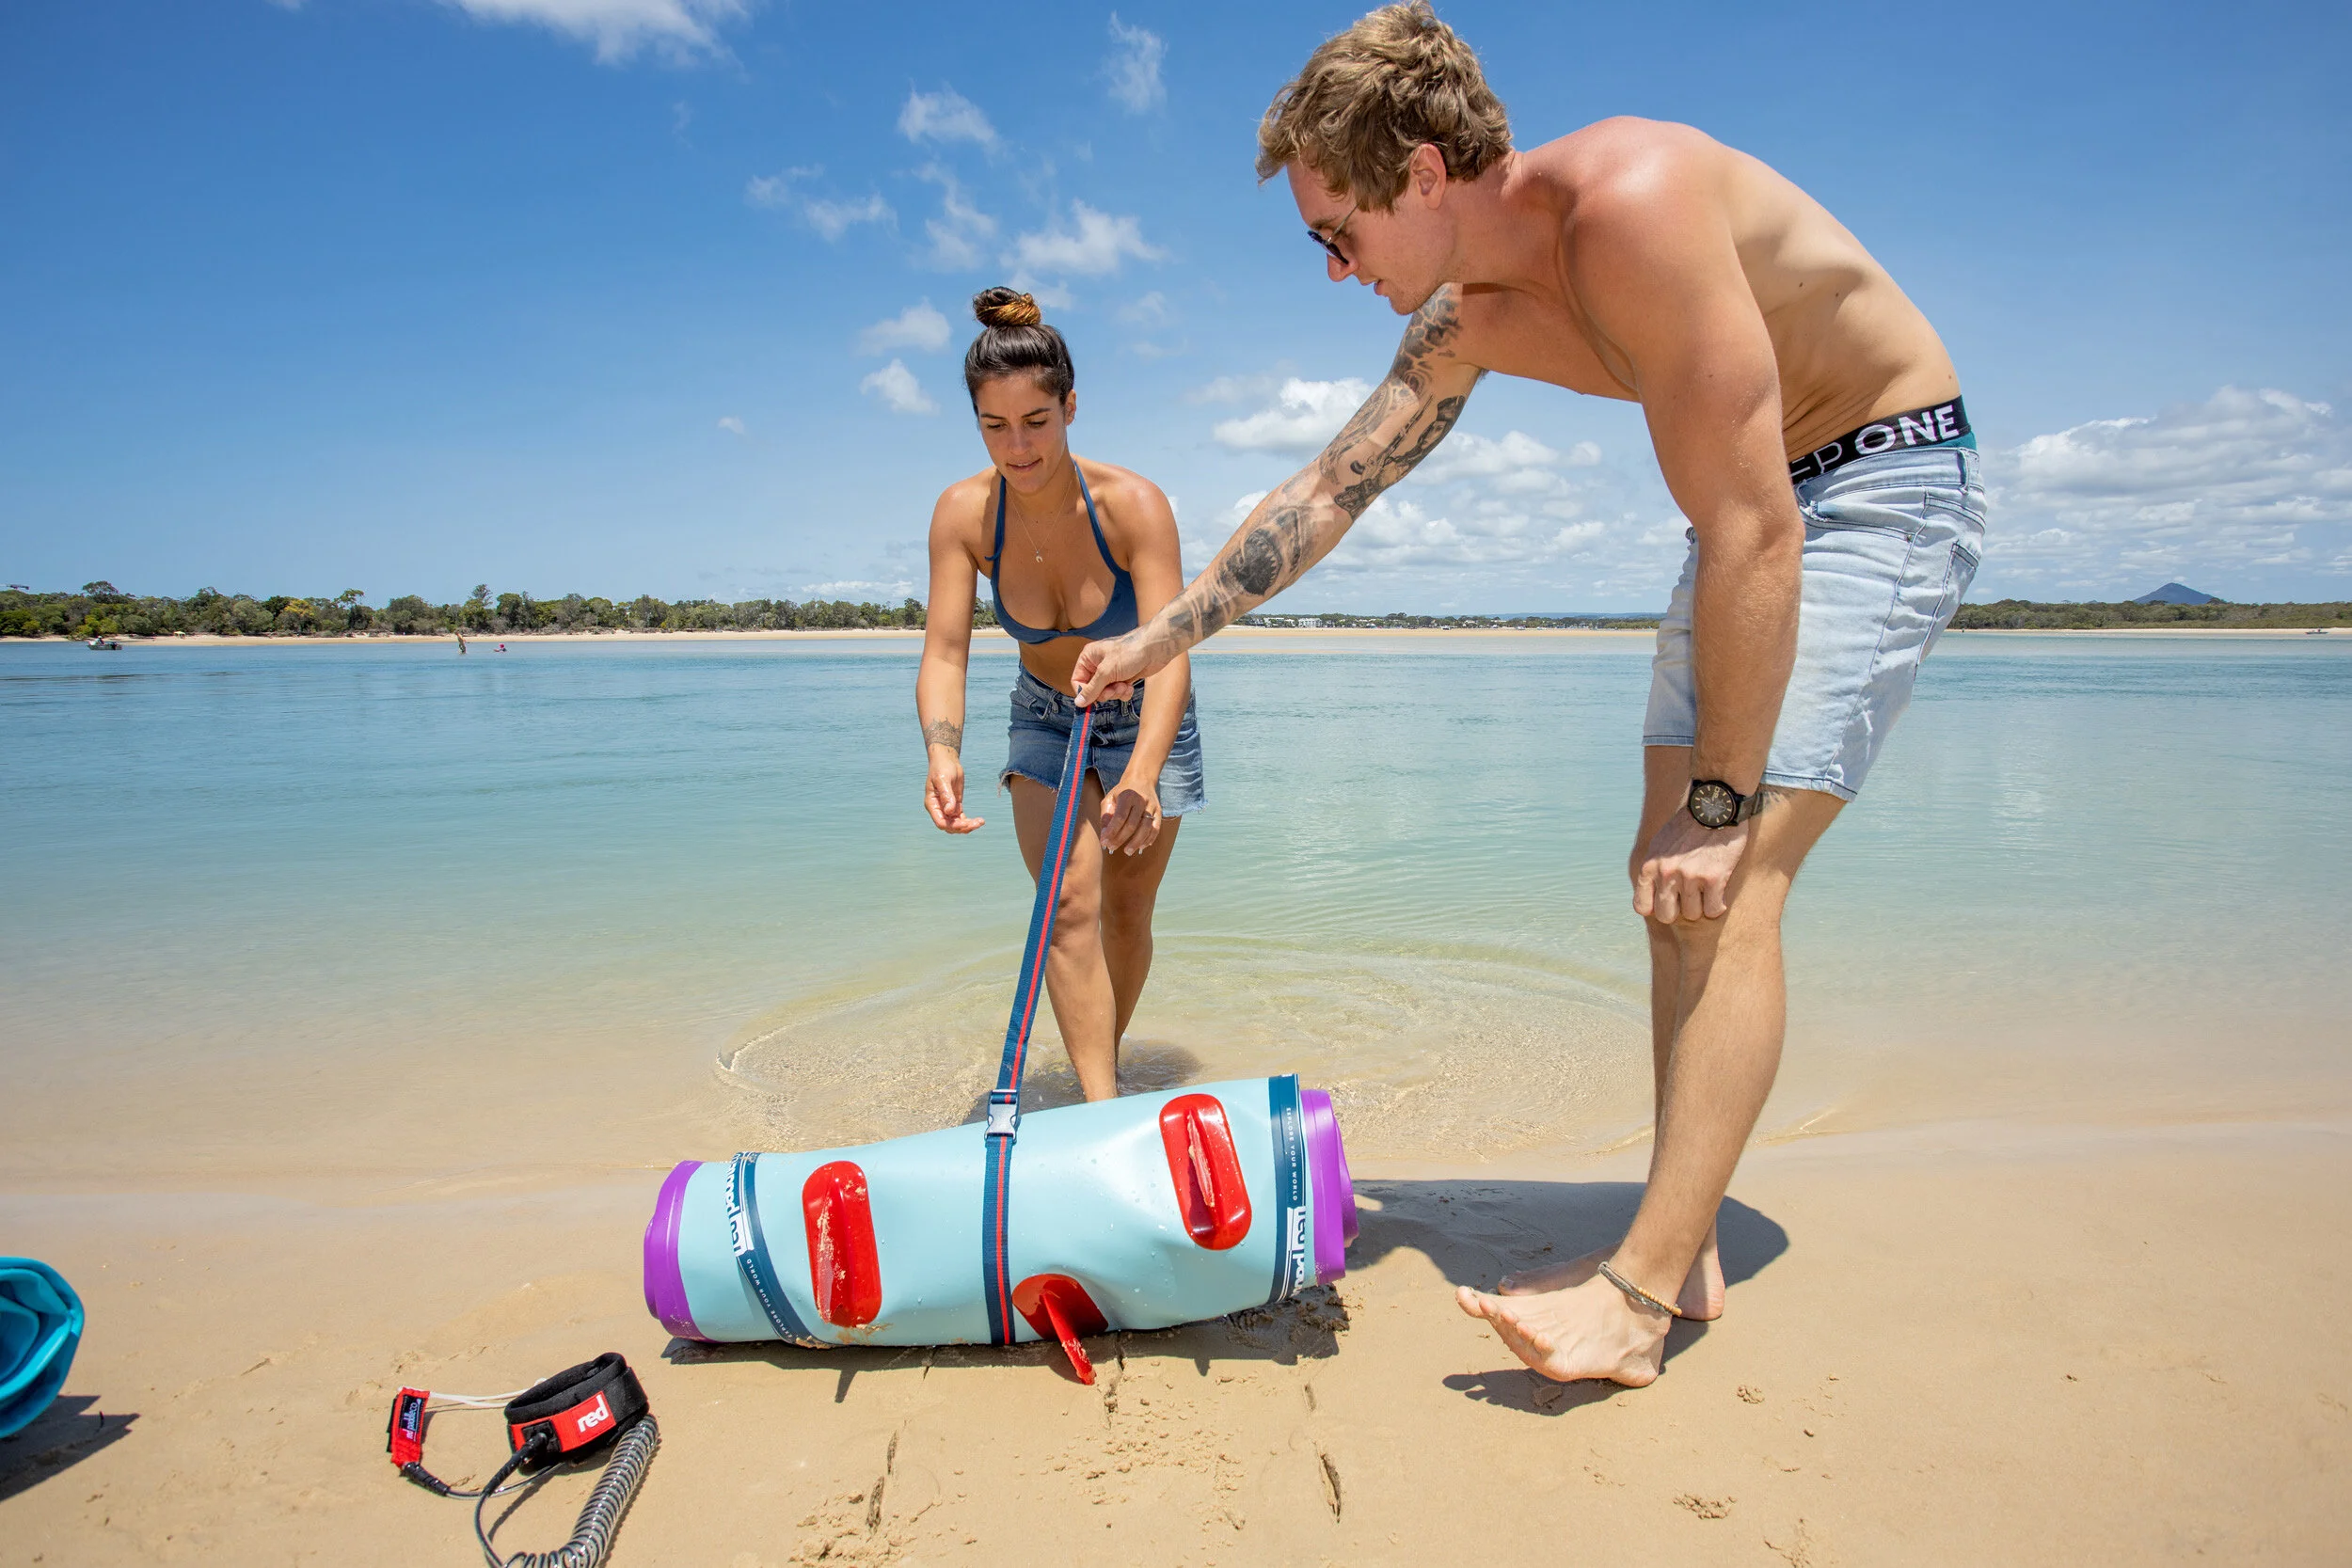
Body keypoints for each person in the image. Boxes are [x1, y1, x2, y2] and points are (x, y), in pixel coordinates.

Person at [1073, 3, 1985, 1384]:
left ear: (1423, 176)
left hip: (1867, 485)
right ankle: (1686, 1226)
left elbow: (1760, 529)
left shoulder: (1629, 205)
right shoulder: (1467, 317)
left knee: (1727, 878)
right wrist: (1164, 637)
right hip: (1755, 512)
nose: (1332, 269)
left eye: (1339, 233)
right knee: (1662, 872)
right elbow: (1332, 484)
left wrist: (1726, 799)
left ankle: (1637, 1291)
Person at [916, 288, 1208, 1103]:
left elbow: (1173, 649)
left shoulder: (1133, 506)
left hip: (1146, 714)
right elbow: (945, 649)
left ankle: (1098, 1071)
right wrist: (942, 746)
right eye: (995, 426)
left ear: (1071, 406)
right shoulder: (963, 514)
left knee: (1122, 913)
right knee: (1066, 906)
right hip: (1045, 718)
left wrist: (1144, 773)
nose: (1019, 446)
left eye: (1037, 421)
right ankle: (1101, 1110)